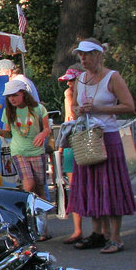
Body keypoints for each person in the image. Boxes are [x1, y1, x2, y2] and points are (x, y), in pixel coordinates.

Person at [67, 38, 136, 254]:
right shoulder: (80, 80)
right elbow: (76, 106)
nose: (83, 58)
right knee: (91, 185)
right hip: (87, 137)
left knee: (111, 185)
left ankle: (115, 236)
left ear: (99, 55)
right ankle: (97, 233)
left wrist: (98, 108)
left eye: (87, 54)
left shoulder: (112, 77)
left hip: (107, 136)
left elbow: (129, 106)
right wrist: (80, 110)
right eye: (81, 55)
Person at [0, 80, 51, 217]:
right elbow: (8, 133)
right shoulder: (8, 111)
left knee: (40, 189)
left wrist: (42, 134)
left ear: (23, 94)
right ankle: (26, 220)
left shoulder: (38, 109)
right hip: (18, 152)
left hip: (36, 151)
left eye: (15, 95)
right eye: (9, 96)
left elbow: (47, 129)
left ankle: (42, 226)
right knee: (28, 185)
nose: (12, 99)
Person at [58, 67, 84, 243]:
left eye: (72, 80)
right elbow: (70, 116)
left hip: (82, 140)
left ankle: (89, 230)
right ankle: (78, 230)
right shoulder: (69, 93)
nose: (69, 84)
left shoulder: (81, 94)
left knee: (85, 186)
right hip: (72, 140)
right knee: (73, 187)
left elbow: (73, 114)